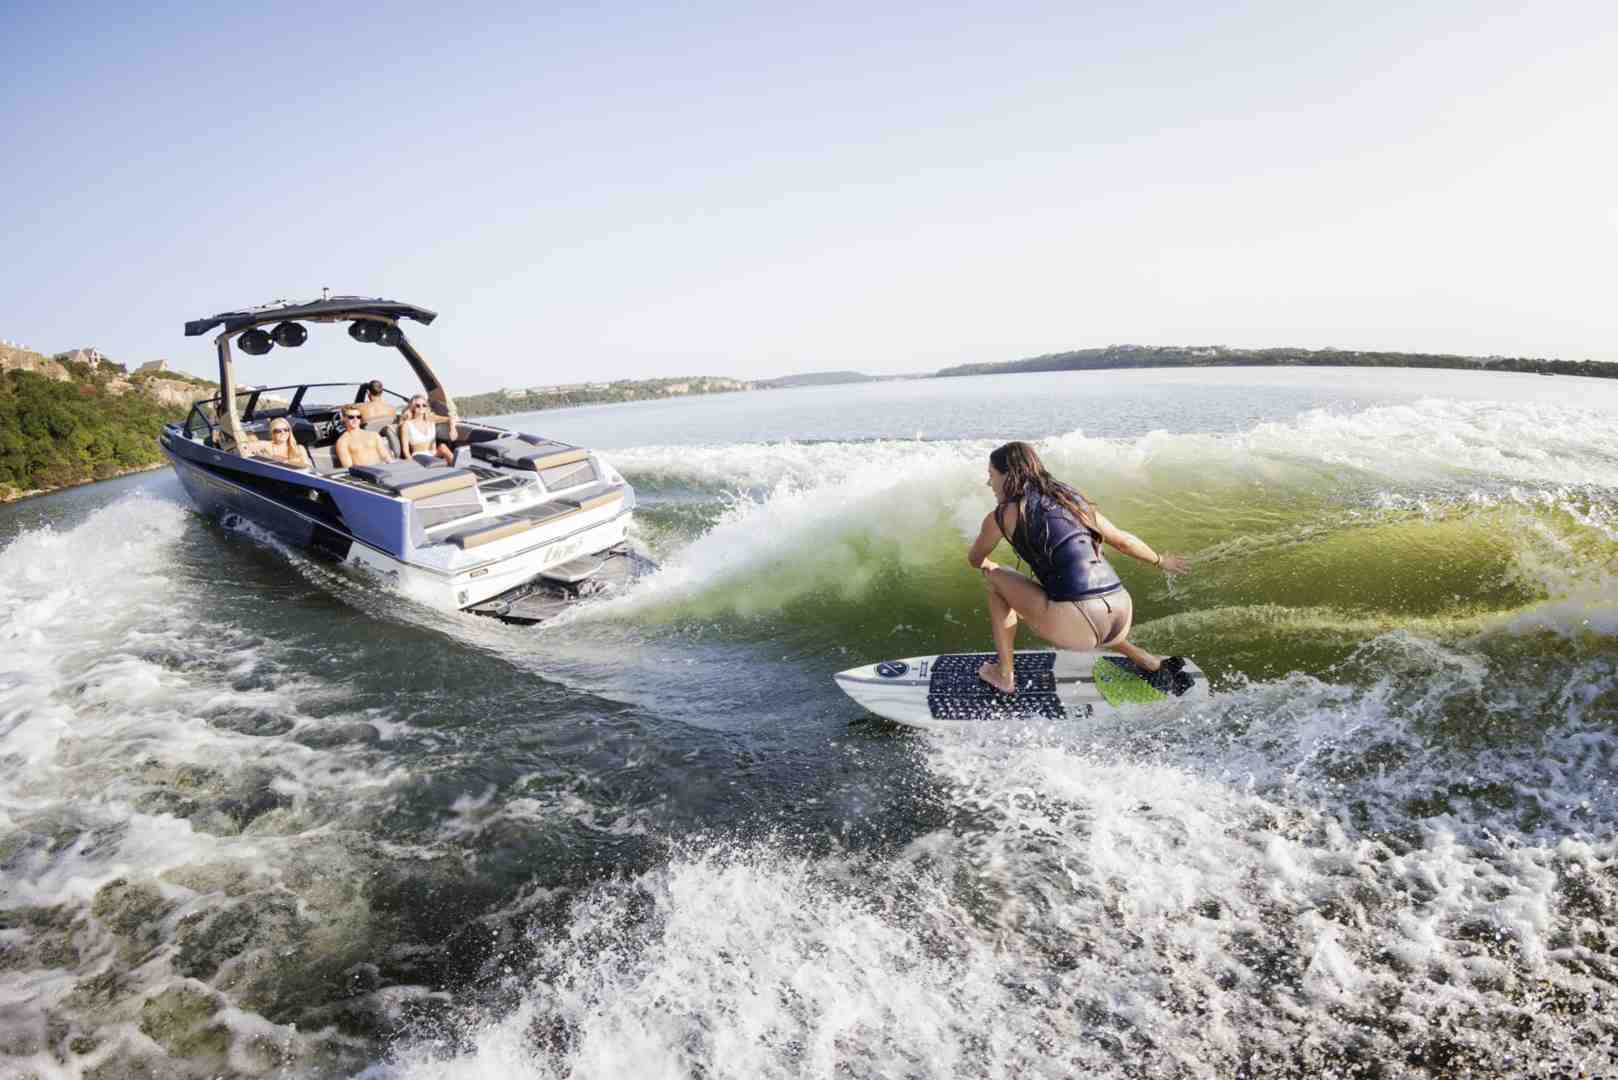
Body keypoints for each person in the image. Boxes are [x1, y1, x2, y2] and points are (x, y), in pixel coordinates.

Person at [966, 440, 1190, 694]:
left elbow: (975, 559)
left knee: (997, 579)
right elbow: (1123, 541)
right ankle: (1144, 659)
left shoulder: (1002, 514)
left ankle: (1004, 674)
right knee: (1074, 587)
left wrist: (989, 566)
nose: (989, 483)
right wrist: (1161, 560)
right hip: (1121, 613)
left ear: (1009, 476)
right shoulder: (1071, 500)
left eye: (991, 475)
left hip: (1078, 625)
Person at [397, 394, 458, 466]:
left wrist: (452, 429)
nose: (421, 407)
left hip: (433, 454)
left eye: (424, 405)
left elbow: (451, 418)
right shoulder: (406, 425)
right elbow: (405, 450)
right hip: (419, 456)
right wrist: (412, 465)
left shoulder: (431, 419)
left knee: (443, 447)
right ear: (412, 407)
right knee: (442, 449)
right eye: (417, 405)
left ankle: (459, 470)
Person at [247, 418, 312, 469]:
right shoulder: (266, 445)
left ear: (290, 431)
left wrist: (285, 461)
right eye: (278, 431)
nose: (283, 433)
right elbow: (244, 446)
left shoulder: (299, 448)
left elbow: (308, 467)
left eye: (286, 430)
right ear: (272, 434)